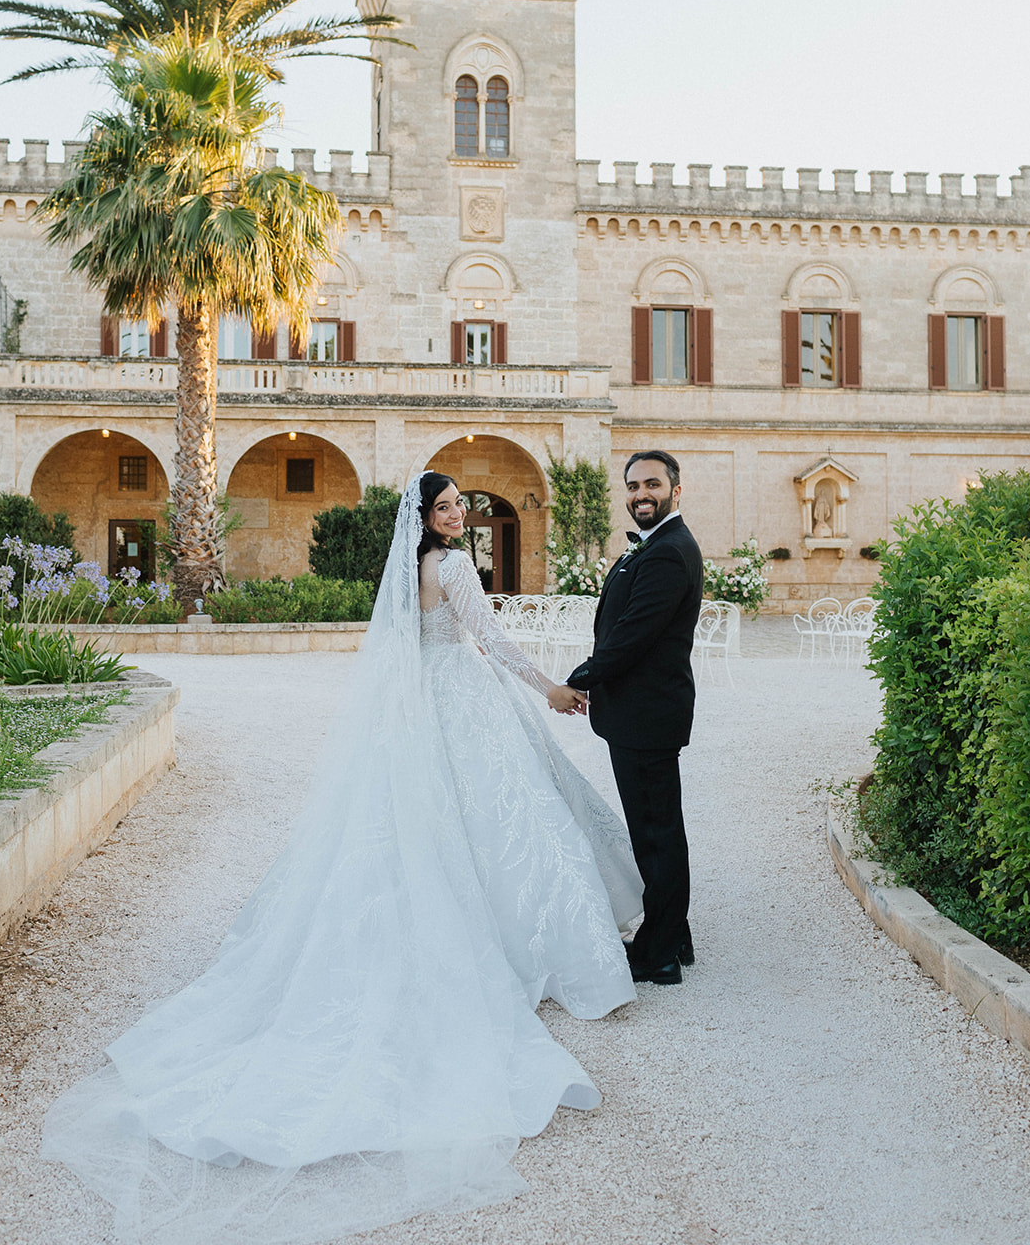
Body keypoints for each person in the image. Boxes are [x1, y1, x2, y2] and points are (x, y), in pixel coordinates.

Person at [43, 472, 642, 1245]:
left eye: (462, 503)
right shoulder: (454, 567)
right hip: (464, 696)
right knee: (511, 819)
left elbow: (411, 644)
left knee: (457, 825)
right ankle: (529, 940)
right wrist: (549, 690)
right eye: (449, 505)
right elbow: (487, 641)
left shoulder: (410, 569)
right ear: (425, 518)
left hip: (428, 699)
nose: (461, 513)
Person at [549, 450, 703, 987]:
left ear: (675, 491)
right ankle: (673, 935)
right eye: (634, 485)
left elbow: (633, 636)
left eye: (652, 484)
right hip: (639, 713)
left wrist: (576, 680)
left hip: (647, 715)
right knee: (653, 831)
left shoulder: (667, 552)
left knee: (657, 835)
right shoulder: (653, 546)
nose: (641, 493)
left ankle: (658, 955)